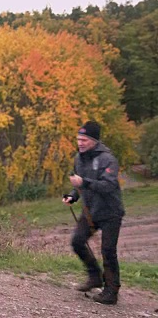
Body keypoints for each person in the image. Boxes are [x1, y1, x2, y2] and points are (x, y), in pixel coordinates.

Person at [62, 121, 125, 305]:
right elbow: (78, 183)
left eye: (84, 140)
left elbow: (108, 185)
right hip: (91, 211)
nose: (80, 143)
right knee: (77, 242)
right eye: (78, 139)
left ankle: (111, 292)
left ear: (94, 141)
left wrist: (84, 183)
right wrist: (73, 196)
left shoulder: (108, 160)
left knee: (108, 251)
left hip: (110, 212)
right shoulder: (78, 158)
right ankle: (95, 276)